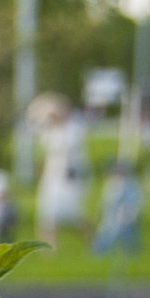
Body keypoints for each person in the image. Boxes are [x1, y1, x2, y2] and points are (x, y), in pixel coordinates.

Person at [29, 93, 93, 247]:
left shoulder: (74, 128)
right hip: (53, 178)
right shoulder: (49, 132)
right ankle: (48, 249)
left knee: (75, 214)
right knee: (48, 215)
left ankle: (94, 242)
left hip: (72, 179)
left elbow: (70, 150)